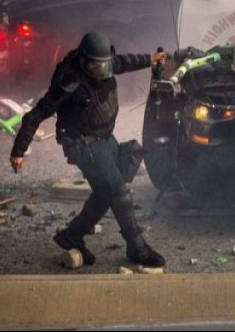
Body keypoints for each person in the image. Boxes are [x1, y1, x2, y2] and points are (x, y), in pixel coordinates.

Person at [9, 32, 166, 267]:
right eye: (95, 64)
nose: (101, 69)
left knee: (108, 188)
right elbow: (36, 114)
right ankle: (137, 247)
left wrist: (150, 59)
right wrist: (19, 151)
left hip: (103, 138)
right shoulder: (69, 80)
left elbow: (122, 62)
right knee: (119, 193)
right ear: (83, 60)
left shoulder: (104, 64)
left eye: (104, 64)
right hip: (83, 145)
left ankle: (72, 234)